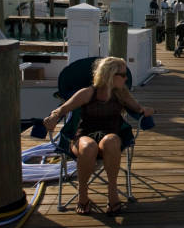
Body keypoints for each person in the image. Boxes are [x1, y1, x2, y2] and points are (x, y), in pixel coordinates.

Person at [43, 57, 154, 216]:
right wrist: (53, 117)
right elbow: (62, 109)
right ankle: (83, 194)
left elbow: (138, 109)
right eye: (123, 75)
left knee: (111, 140)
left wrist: (148, 111)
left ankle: (112, 192)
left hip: (110, 142)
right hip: (83, 139)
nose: (126, 78)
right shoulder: (87, 93)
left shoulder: (122, 95)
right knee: (89, 146)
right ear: (110, 75)